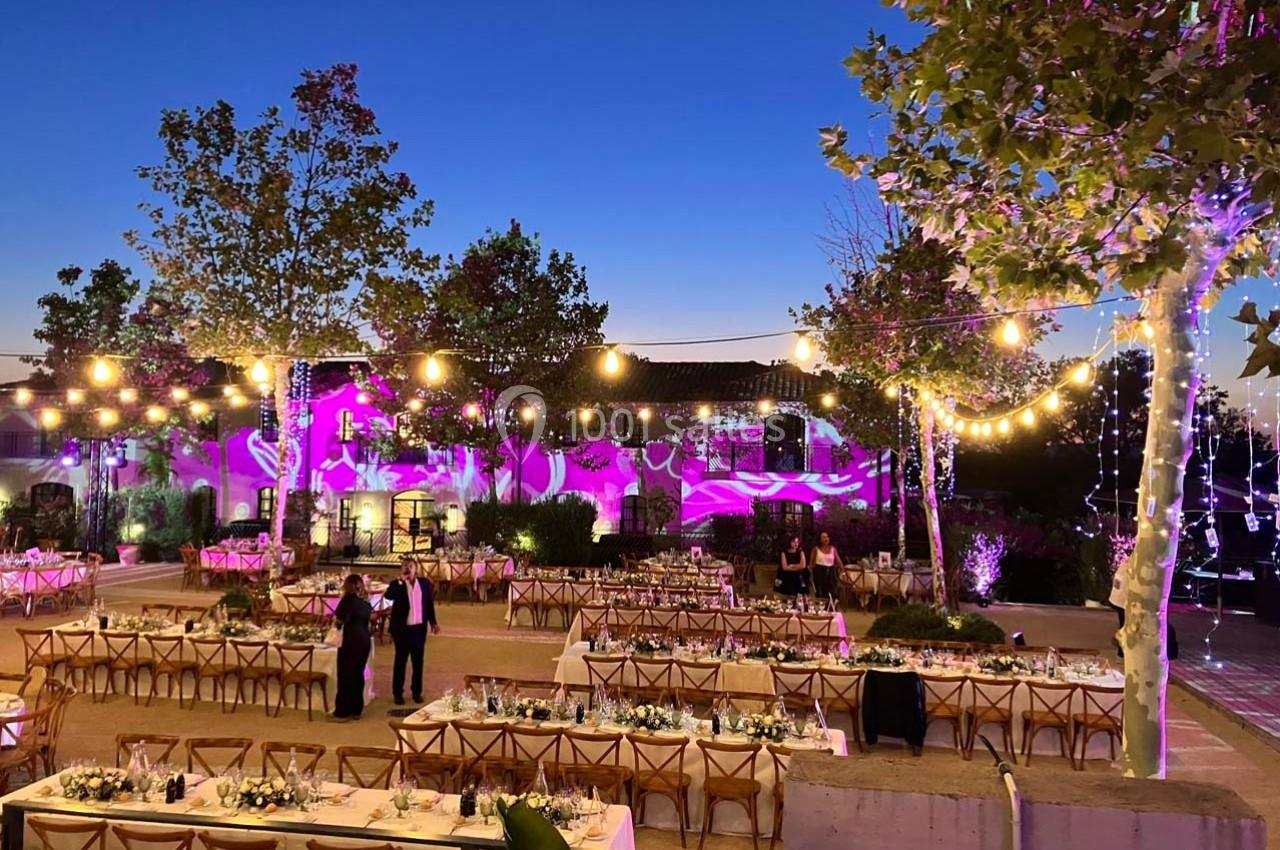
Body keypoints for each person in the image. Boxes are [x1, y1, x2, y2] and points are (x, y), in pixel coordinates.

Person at [384, 557, 441, 705]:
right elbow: (388, 596)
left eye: (410, 566)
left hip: (418, 629)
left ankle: (417, 692)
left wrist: (433, 622)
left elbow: (429, 605)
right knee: (400, 661)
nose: (408, 568)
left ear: (416, 568)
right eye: (405, 566)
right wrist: (401, 580)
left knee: (418, 662)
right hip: (402, 629)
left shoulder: (424, 584)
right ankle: (398, 693)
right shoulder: (398, 584)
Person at [330, 573, 372, 721]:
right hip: (364, 639)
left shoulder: (347, 601)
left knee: (345, 675)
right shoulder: (366, 602)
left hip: (350, 639)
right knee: (358, 674)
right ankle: (356, 709)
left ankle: (342, 711)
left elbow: (340, 620)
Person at [810, 531, 844, 601]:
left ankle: (831, 609)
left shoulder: (833, 548)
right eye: (824, 537)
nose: (826, 539)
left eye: (827, 537)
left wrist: (843, 571)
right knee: (820, 593)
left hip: (830, 572)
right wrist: (811, 576)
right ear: (820, 539)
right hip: (819, 572)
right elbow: (811, 564)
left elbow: (838, 561)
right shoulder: (816, 549)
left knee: (832, 592)